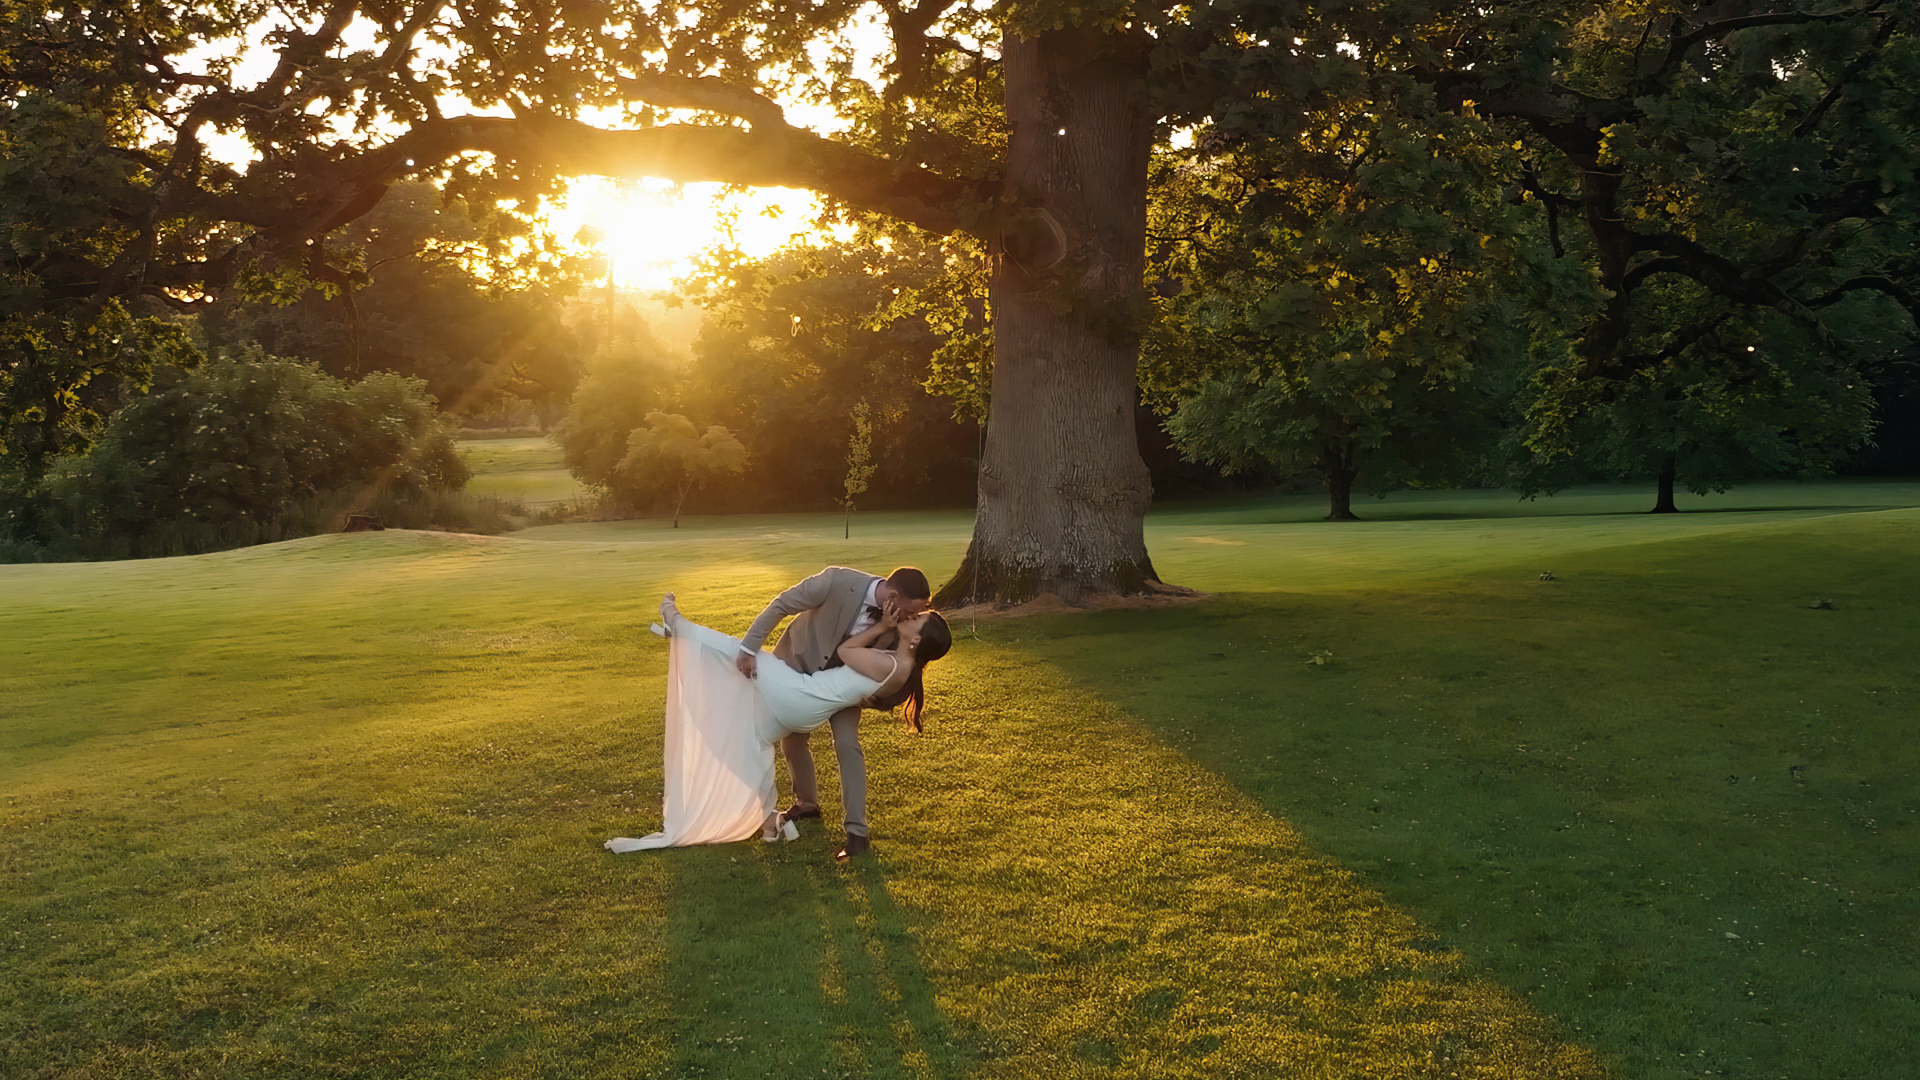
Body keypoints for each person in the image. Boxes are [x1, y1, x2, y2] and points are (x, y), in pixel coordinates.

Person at [604, 593, 950, 854]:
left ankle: (677, 624)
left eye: (917, 619)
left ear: (916, 640)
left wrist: (881, 626)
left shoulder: (892, 666)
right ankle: (769, 822)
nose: (911, 616)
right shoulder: (899, 665)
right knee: (750, 741)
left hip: (800, 696)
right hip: (801, 704)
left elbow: (846, 652)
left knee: (743, 653)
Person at [735, 566, 932, 857]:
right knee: (792, 739)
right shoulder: (836, 581)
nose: (911, 618)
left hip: (842, 688)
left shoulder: (898, 626)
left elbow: (894, 670)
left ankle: (857, 833)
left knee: (847, 744)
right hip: (797, 666)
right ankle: (807, 804)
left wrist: (870, 697)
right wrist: (749, 648)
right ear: (891, 595)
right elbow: (782, 604)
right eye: (910, 611)